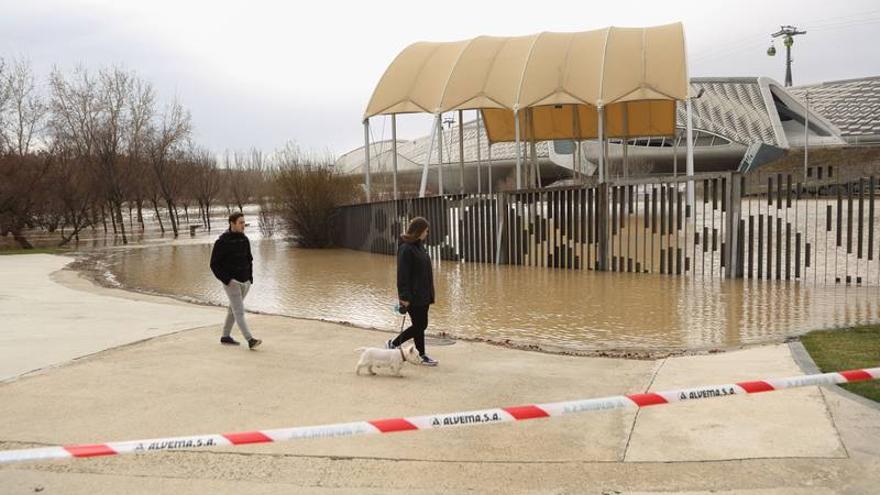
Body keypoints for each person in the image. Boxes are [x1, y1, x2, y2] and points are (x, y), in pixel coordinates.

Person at [386, 217, 438, 366]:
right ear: (420, 231)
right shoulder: (406, 248)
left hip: (423, 294)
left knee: (421, 325)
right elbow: (402, 275)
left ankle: (394, 344)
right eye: (426, 231)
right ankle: (420, 355)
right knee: (419, 325)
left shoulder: (419, 246)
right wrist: (404, 297)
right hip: (413, 296)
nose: (427, 234)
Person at [210, 212, 262, 349]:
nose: (243, 226)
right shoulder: (222, 242)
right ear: (232, 224)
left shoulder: (245, 240)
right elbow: (214, 265)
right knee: (239, 311)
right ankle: (250, 339)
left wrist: (250, 279)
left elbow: (249, 260)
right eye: (240, 223)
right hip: (232, 283)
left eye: (244, 223)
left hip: (246, 282)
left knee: (233, 309)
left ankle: (225, 336)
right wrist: (228, 280)